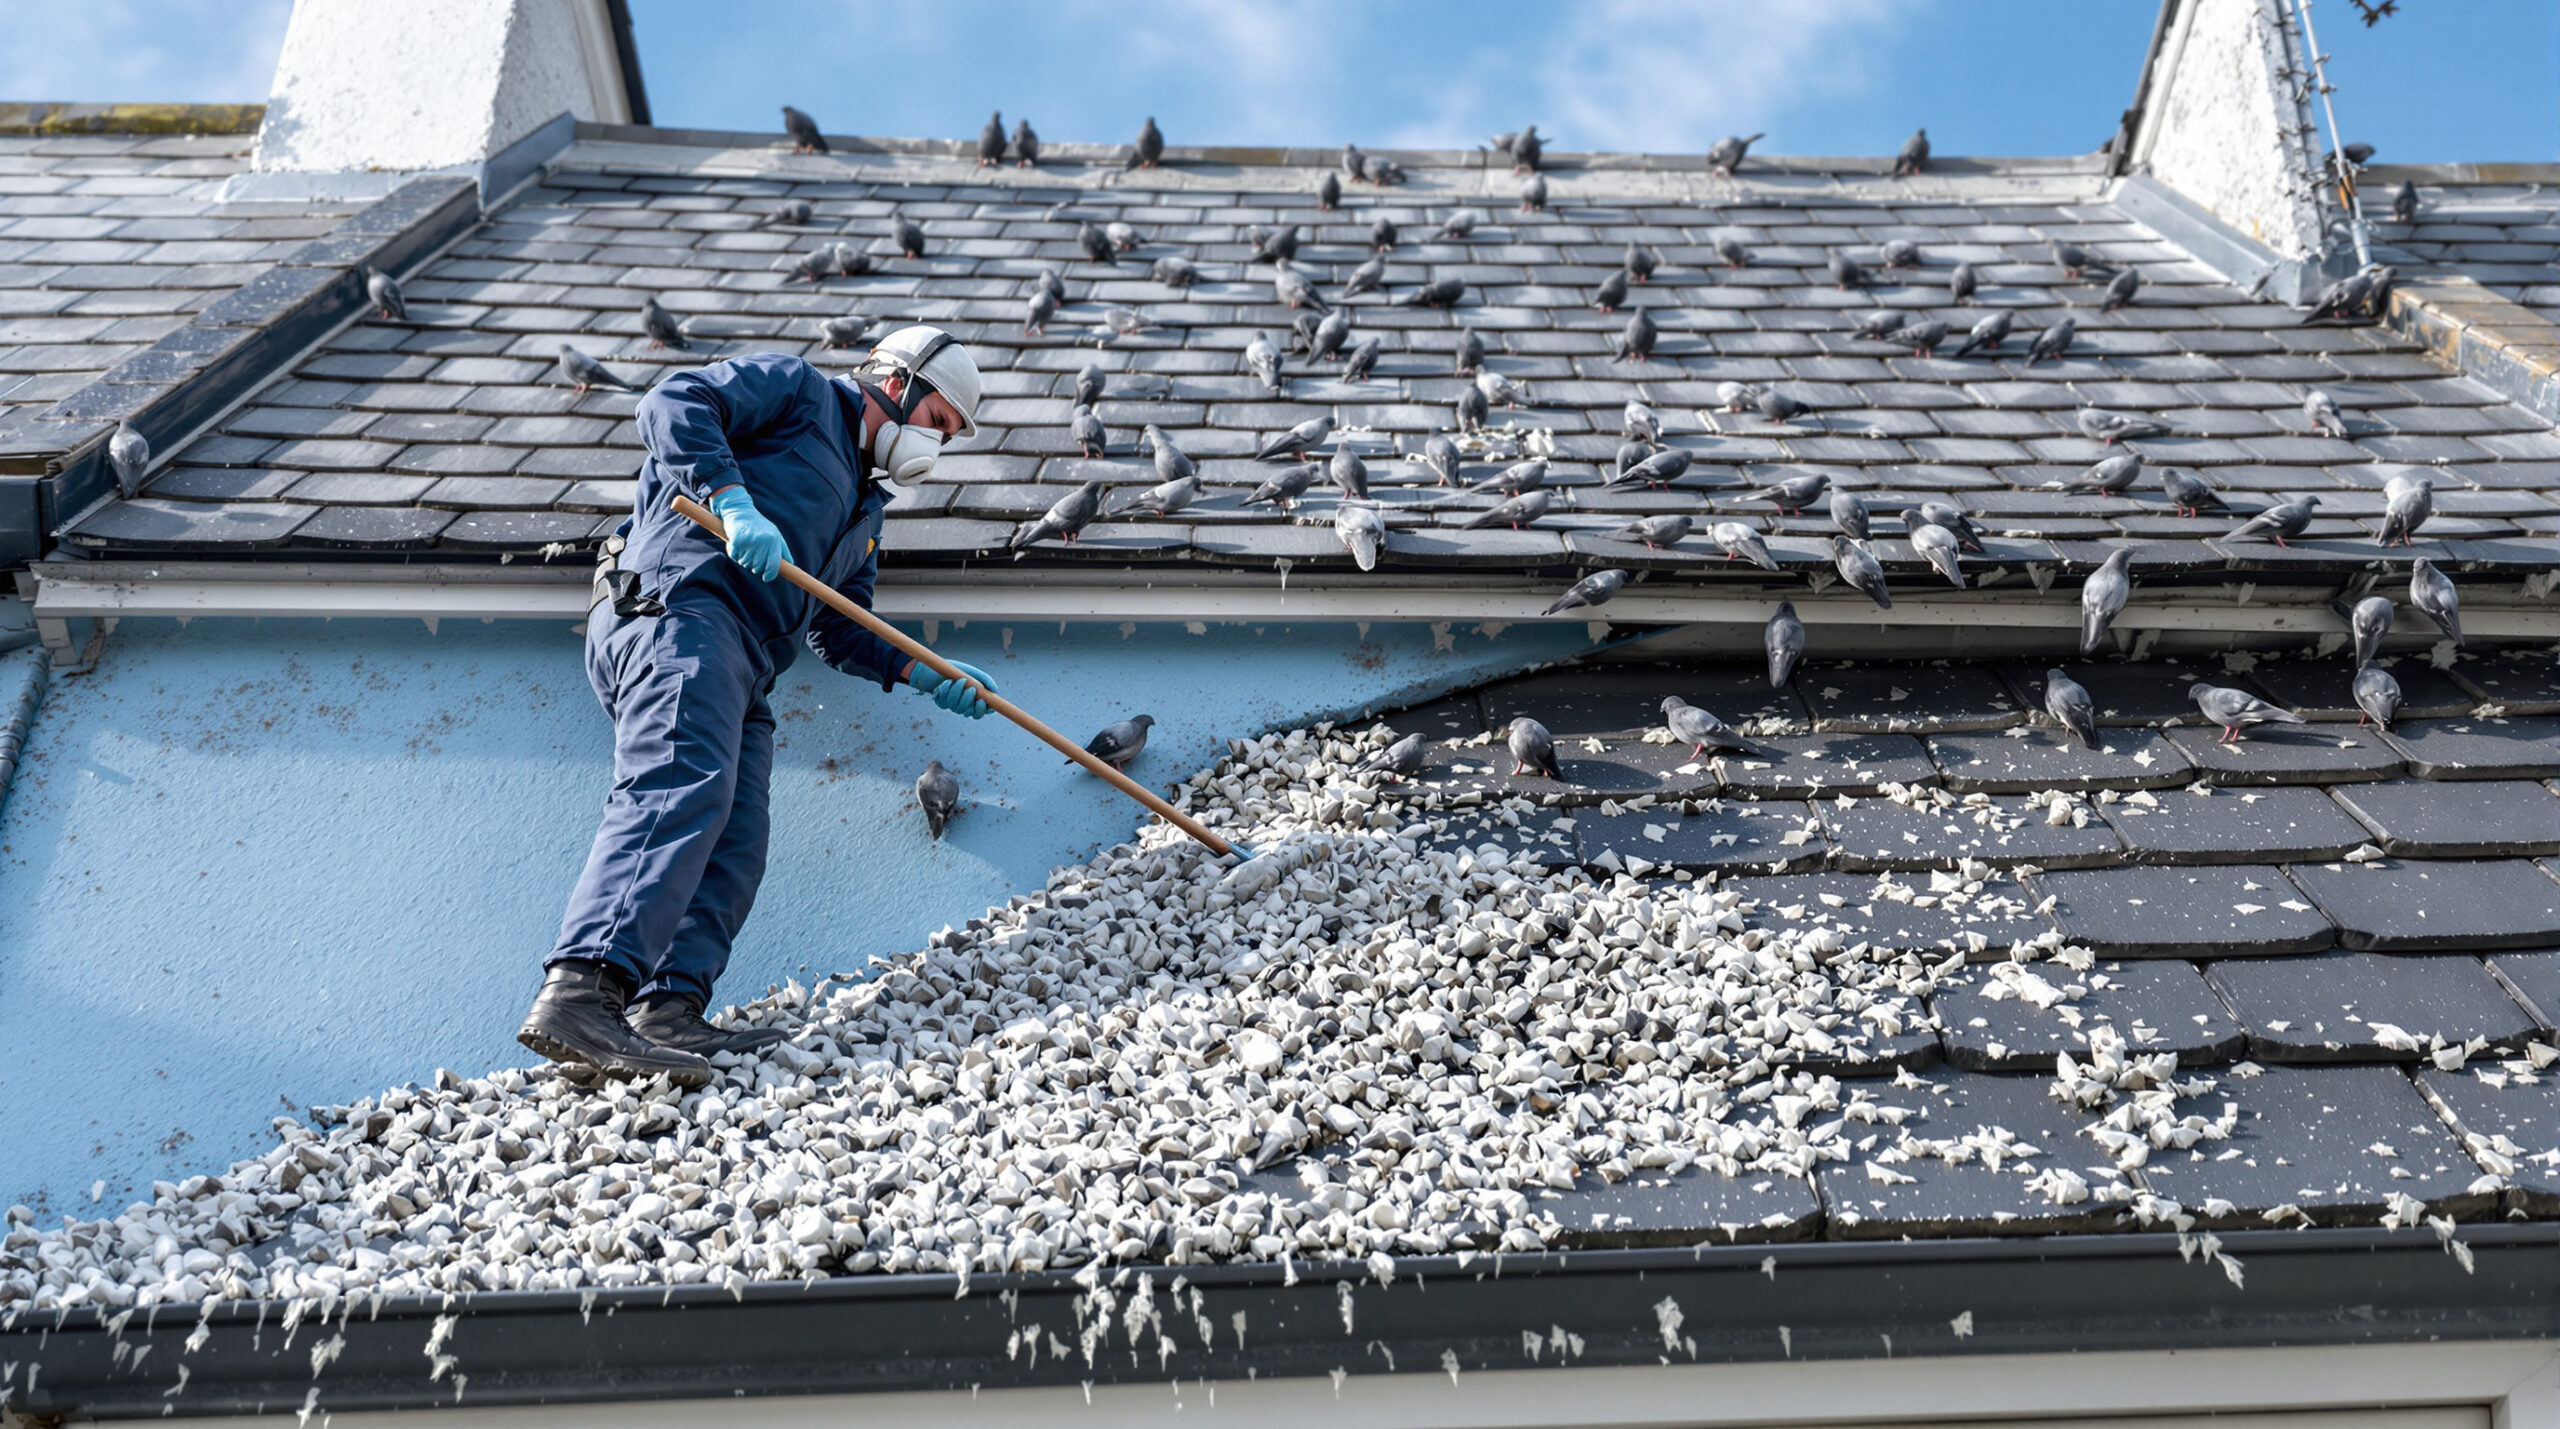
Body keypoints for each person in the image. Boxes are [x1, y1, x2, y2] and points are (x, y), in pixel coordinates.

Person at [517, 326, 998, 1085]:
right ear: (898, 384)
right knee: (679, 785)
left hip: (747, 662)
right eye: (938, 422)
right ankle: (582, 990)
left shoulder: (865, 513)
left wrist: (922, 671)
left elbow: (841, 627)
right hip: (680, 612)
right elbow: (673, 402)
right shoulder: (799, 392)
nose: (934, 446)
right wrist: (734, 503)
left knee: (737, 834)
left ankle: (668, 1007)